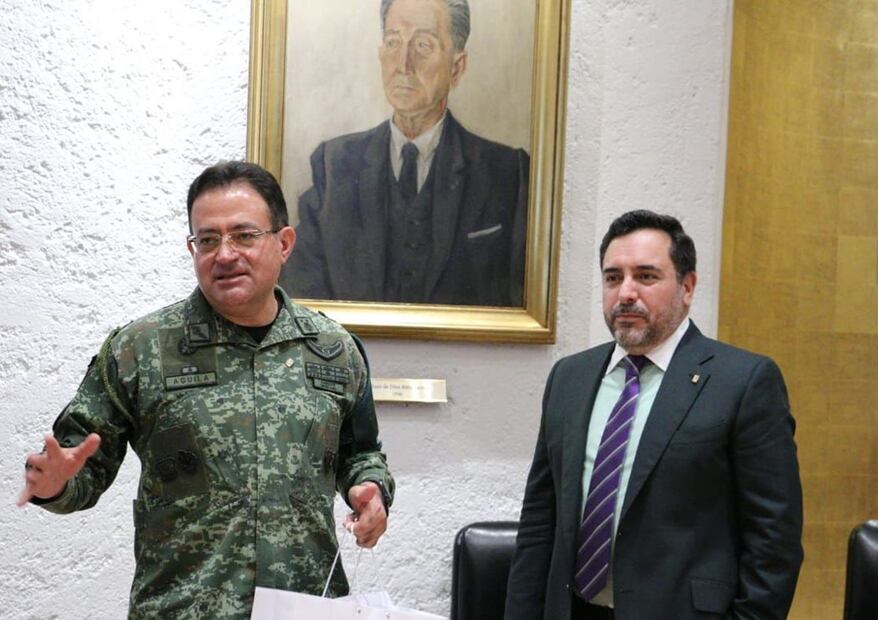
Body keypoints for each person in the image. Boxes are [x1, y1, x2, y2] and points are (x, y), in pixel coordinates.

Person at [17, 161, 395, 619]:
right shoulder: (141, 349)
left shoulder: (333, 351)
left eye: (244, 235)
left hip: (306, 605)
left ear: (284, 243)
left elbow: (361, 454)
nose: (225, 253)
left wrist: (369, 490)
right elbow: (82, 465)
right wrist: (57, 483)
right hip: (182, 609)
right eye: (208, 240)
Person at [505, 210, 803, 619]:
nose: (626, 293)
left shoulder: (744, 381)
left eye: (646, 276)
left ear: (687, 286)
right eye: (613, 278)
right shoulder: (569, 378)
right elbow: (540, 519)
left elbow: (774, 541)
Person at [281, 0, 529, 307]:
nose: (403, 64)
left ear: (456, 67)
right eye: (393, 42)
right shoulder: (335, 164)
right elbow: (300, 296)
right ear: (380, 53)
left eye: (423, 45)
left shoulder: (506, 172)